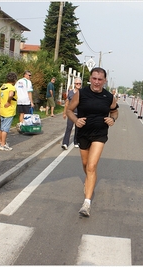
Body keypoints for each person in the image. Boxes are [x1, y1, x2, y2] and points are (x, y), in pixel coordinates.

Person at [66, 67, 118, 217]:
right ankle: (89, 179)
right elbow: (69, 110)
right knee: (85, 164)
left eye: (100, 79)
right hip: (83, 133)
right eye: (94, 78)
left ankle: (86, 203)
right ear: (90, 78)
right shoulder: (81, 93)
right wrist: (76, 120)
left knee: (92, 165)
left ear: (104, 81)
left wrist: (112, 118)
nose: (96, 82)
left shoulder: (109, 97)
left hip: (100, 134)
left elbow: (114, 111)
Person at [0, 72, 18, 151]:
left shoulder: (3, 86)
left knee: (0, 127)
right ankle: (3, 144)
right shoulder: (12, 87)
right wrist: (8, 102)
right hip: (9, 111)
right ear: (14, 80)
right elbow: (11, 94)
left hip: (1, 110)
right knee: (5, 129)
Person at [61, 77, 82, 150]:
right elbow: (67, 103)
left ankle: (76, 142)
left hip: (79, 113)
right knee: (69, 128)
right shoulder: (70, 92)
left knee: (78, 128)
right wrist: (64, 113)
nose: (78, 85)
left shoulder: (82, 92)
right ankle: (65, 143)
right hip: (71, 113)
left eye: (79, 83)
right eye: (77, 83)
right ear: (74, 84)